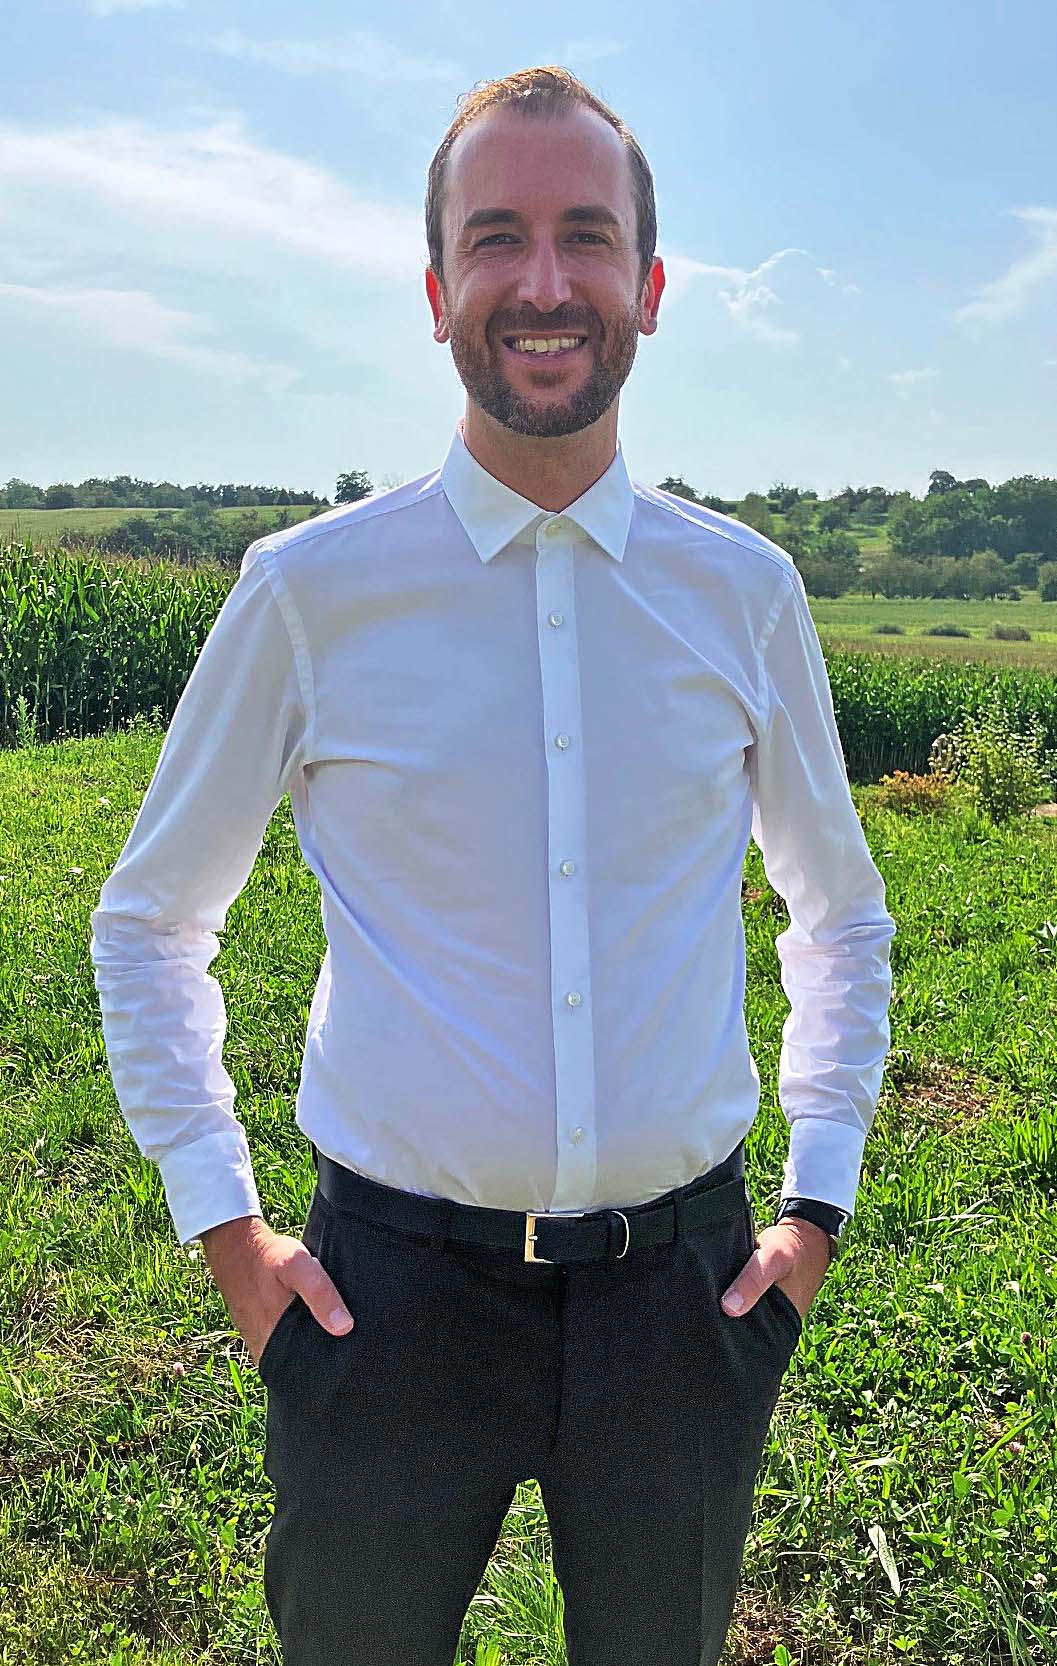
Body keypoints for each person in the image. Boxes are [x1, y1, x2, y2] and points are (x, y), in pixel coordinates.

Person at [90, 63, 896, 1666]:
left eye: (586, 236)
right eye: (496, 238)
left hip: (683, 1303)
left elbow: (840, 918)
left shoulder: (742, 594)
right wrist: (228, 1232)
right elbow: (149, 920)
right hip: (385, 1303)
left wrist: (813, 1209)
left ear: (647, 288)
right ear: (436, 290)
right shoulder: (311, 593)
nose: (542, 283)